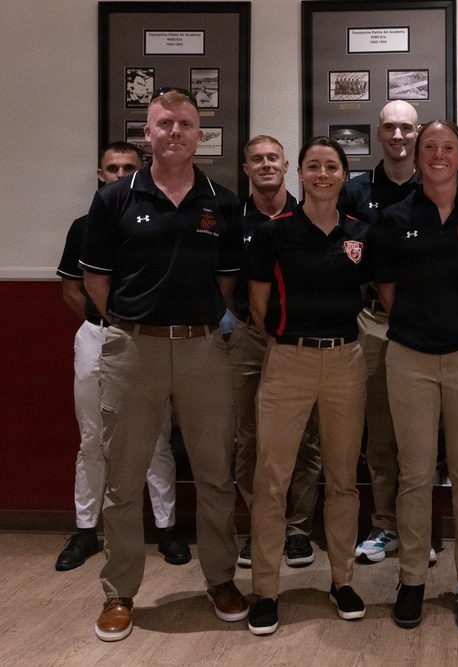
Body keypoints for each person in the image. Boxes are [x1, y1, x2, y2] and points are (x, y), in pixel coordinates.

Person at [81, 88, 247, 642]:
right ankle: (119, 592)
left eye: (185, 124)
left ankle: (221, 579)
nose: (175, 132)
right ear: (147, 133)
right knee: (124, 478)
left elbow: (227, 283)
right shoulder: (115, 199)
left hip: (204, 349)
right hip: (134, 350)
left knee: (216, 474)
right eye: (164, 123)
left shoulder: (222, 201)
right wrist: (130, 324)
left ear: (199, 135)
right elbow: (96, 280)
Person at [373, 120, 458, 629]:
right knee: (414, 475)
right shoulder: (393, 218)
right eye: (428, 146)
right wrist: (424, 327)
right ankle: (411, 580)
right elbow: (387, 291)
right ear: (417, 155)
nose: (437, 154)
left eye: (447, 147)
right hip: (410, 358)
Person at [243, 136, 371, 635]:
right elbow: (259, 309)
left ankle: (343, 581)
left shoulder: (360, 233)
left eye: (331, 166)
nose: (322, 174)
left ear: (344, 175)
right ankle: (266, 590)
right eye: (313, 166)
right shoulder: (273, 233)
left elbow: (369, 293)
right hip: (288, 361)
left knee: (342, 479)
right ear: (299, 172)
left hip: (346, 362)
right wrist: (291, 344)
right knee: (271, 479)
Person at [55, 141, 189, 572]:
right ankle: (85, 530)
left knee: (156, 439)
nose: (119, 175)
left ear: (139, 171)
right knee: (92, 439)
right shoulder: (83, 225)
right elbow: (72, 288)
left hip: (147, 341)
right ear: (100, 174)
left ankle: (167, 528)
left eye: (127, 168)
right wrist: (110, 321)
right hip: (98, 337)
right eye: (112, 168)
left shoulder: (156, 221)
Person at [339, 101, 434, 565]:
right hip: (373, 321)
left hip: (427, 324)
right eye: (390, 127)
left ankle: (420, 527)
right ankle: (385, 525)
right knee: (380, 432)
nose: (398, 136)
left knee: (421, 435)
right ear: (378, 132)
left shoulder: (436, 186)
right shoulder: (354, 192)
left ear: (418, 133)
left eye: (406, 128)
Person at [229, 135, 322, 570]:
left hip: (300, 340)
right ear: (246, 169)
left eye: (273, 158)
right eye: (256, 160)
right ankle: (262, 526)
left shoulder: (309, 217)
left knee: (305, 436)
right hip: (249, 337)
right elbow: (225, 282)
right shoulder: (233, 220)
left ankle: (297, 529)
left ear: (286, 167)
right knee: (249, 437)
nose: (265, 165)